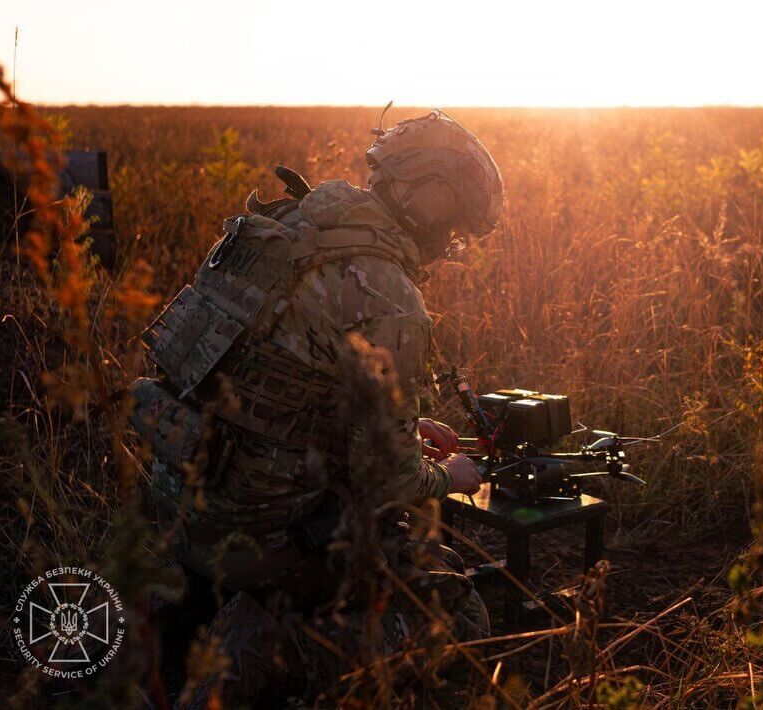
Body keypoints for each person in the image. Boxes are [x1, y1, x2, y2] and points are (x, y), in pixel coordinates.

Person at [132, 109, 504, 706]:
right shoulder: (390, 295)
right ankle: (262, 649)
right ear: (431, 196)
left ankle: (187, 610)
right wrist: (448, 477)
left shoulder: (281, 227)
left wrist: (400, 427)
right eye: (455, 223)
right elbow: (388, 480)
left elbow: (263, 379)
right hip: (261, 540)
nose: (450, 242)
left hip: (180, 513)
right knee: (458, 614)